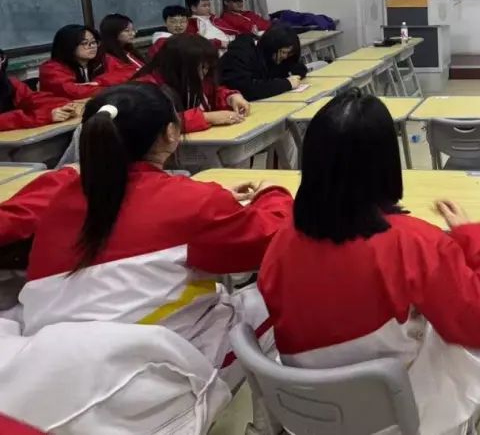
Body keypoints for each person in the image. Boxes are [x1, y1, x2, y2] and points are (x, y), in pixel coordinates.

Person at [259, 90, 480, 435]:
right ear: (386, 165)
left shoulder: (280, 243)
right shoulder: (415, 243)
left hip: (313, 414)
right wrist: (475, 239)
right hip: (397, 416)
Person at [13, 84, 292, 393]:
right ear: (171, 133)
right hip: (138, 379)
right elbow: (271, 241)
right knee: (280, 297)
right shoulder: (192, 202)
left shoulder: (57, 192)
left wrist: (211, 199)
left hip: (49, 366)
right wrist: (272, 193)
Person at [134, 35, 249, 132]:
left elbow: (211, 93)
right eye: (202, 67)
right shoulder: (145, 90)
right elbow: (159, 123)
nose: (205, 72)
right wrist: (207, 118)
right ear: (180, 65)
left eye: (208, 67)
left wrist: (231, 97)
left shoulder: (191, 77)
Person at [220, 24, 309, 101]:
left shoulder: (268, 55)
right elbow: (247, 90)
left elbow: (293, 68)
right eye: (283, 52)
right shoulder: (241, 53)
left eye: (288, 54)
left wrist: (294, 70)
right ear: (272, 46)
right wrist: (286, 84)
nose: (285, 57)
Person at [0, 50, 79, 132]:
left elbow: (35, 99)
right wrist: (46, 116)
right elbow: (10, 119)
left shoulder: (10, 83)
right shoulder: (52, 67)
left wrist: (63, 106)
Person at [37, 25, 106, 101]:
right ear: (69, 46)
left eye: (94, 42)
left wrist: (99, 83)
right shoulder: (51, 69)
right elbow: (72, 91)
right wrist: (107, 89)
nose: (92, 46)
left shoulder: (102, 59)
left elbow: (116, 76)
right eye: (85, 43)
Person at [97, 13, 146, 86]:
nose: (132, 33)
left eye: (133, 30)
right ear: (113, 32)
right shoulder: (108, 59)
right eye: (127, 31)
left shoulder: (129, 51)